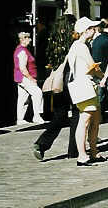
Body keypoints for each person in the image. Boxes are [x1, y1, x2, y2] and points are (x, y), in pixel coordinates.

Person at [33, 14, 79, 161]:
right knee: (77, 113)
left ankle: (42, 143)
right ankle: (74, 150)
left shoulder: (53, 41)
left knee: (60, 115)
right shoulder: (73, 42)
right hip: (69, 80)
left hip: (56, 81)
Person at [66, 17, 104, 166]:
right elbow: (92, 66)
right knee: (85, 120)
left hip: (86, 86)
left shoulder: (77, 46)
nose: (94, 30)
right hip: (84, 86)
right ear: (86, 31)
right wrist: (103, 76)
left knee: (94, 119)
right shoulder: (81, 47)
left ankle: (93, 152)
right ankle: (82, 155)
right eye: (92, 28)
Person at [13, 31, 44, 124]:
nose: (30, 40)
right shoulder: (22, 51)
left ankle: (20, 119)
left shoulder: (20, 50)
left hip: (20, 77)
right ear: (23, 39)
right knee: (38, 93)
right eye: (28, 38)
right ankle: (37, 116)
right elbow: (23, 68)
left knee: (23, 98)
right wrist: (31, 79)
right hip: (24, 77)